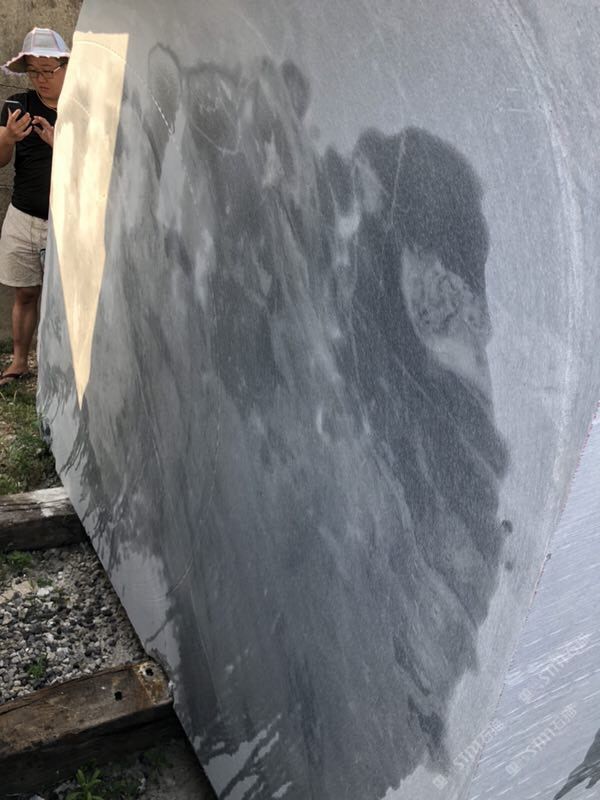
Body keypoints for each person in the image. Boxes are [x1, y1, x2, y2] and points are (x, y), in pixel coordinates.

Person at [0, 28, 69, 387]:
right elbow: (0, 160)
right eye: (33, 72)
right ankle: (19, 362)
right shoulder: (18, 106)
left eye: (48, 70)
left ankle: (62, 369)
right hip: (24, 215)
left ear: (67, 67)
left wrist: (61, 144)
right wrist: (7, 138)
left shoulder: (83, 107)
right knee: (25, 293)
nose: (41, 79)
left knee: (68, 299)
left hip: (69, 220)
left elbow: (101, 167)